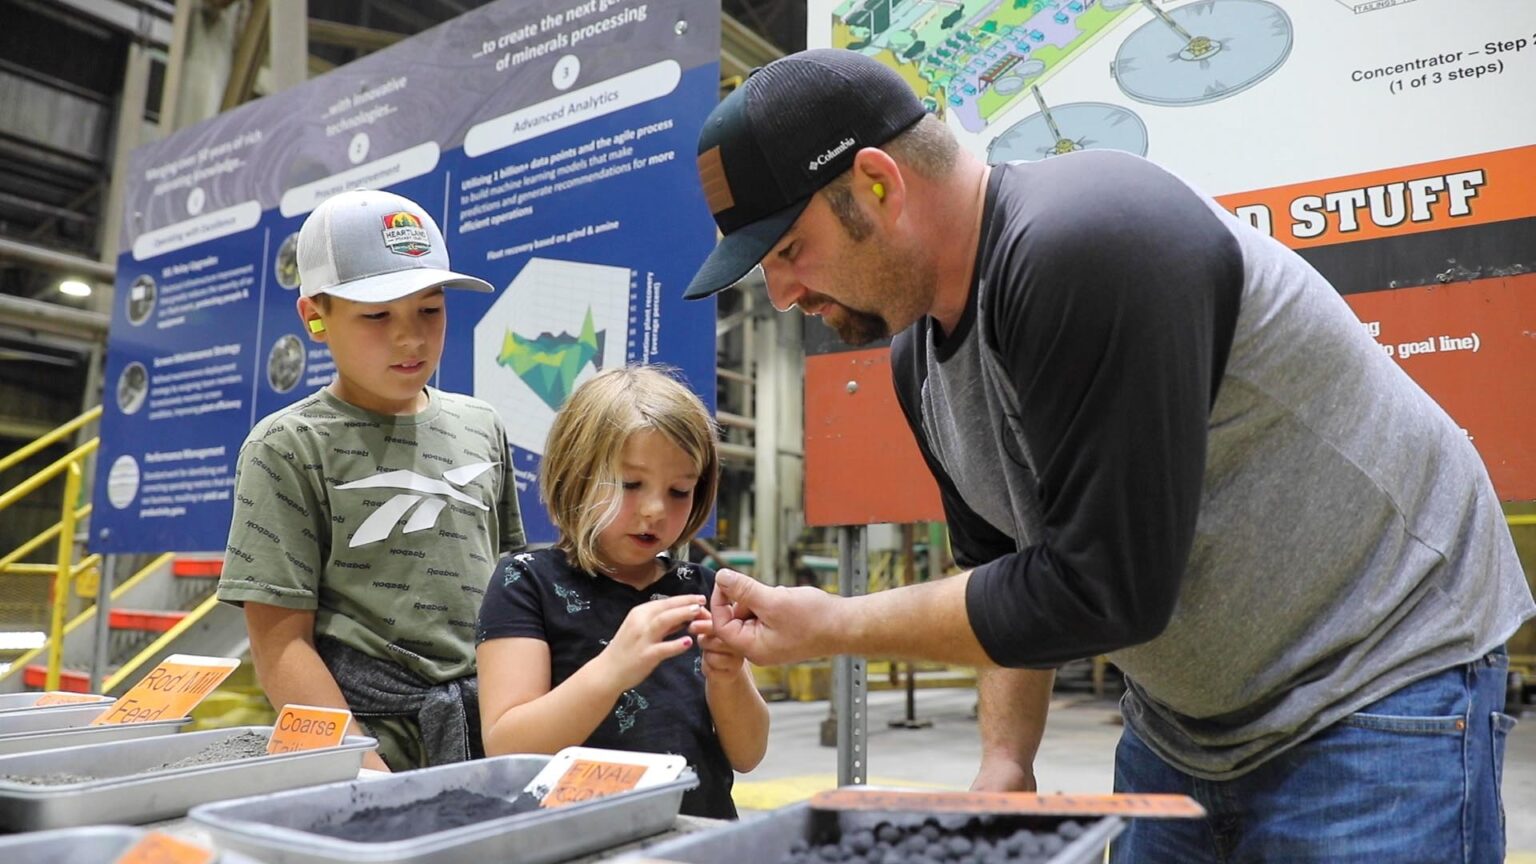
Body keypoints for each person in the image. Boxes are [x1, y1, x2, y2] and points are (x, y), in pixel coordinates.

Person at [681, 49, 1533, 861]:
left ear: (877, 183)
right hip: (1185, 722)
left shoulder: (1086, 241)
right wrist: (1006, 761)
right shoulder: (918, 355)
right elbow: (1006, 569)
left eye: (789, 251)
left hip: (1380, 671)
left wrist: (833, 626)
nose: (783, 295)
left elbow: (1104, 589)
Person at [218, 189, 526, 772]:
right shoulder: (287, 446)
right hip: (367, 740)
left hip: (493, 727)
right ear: (315, 317)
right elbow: (279, 643)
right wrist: (361, 770)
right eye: (378, 315)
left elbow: (513, 593)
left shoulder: (481, 426)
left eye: (429, 310)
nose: (410, 338)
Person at [476, 366, 769, 819]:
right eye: (631, 484)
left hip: (697, 837)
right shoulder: (526, 582)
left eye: (679, 490)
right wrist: (612, 668)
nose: (655, 510)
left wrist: (728, 678)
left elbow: (748, 754)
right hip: (581, 839)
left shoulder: (701, 589)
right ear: (575, 475)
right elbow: (508, 747)